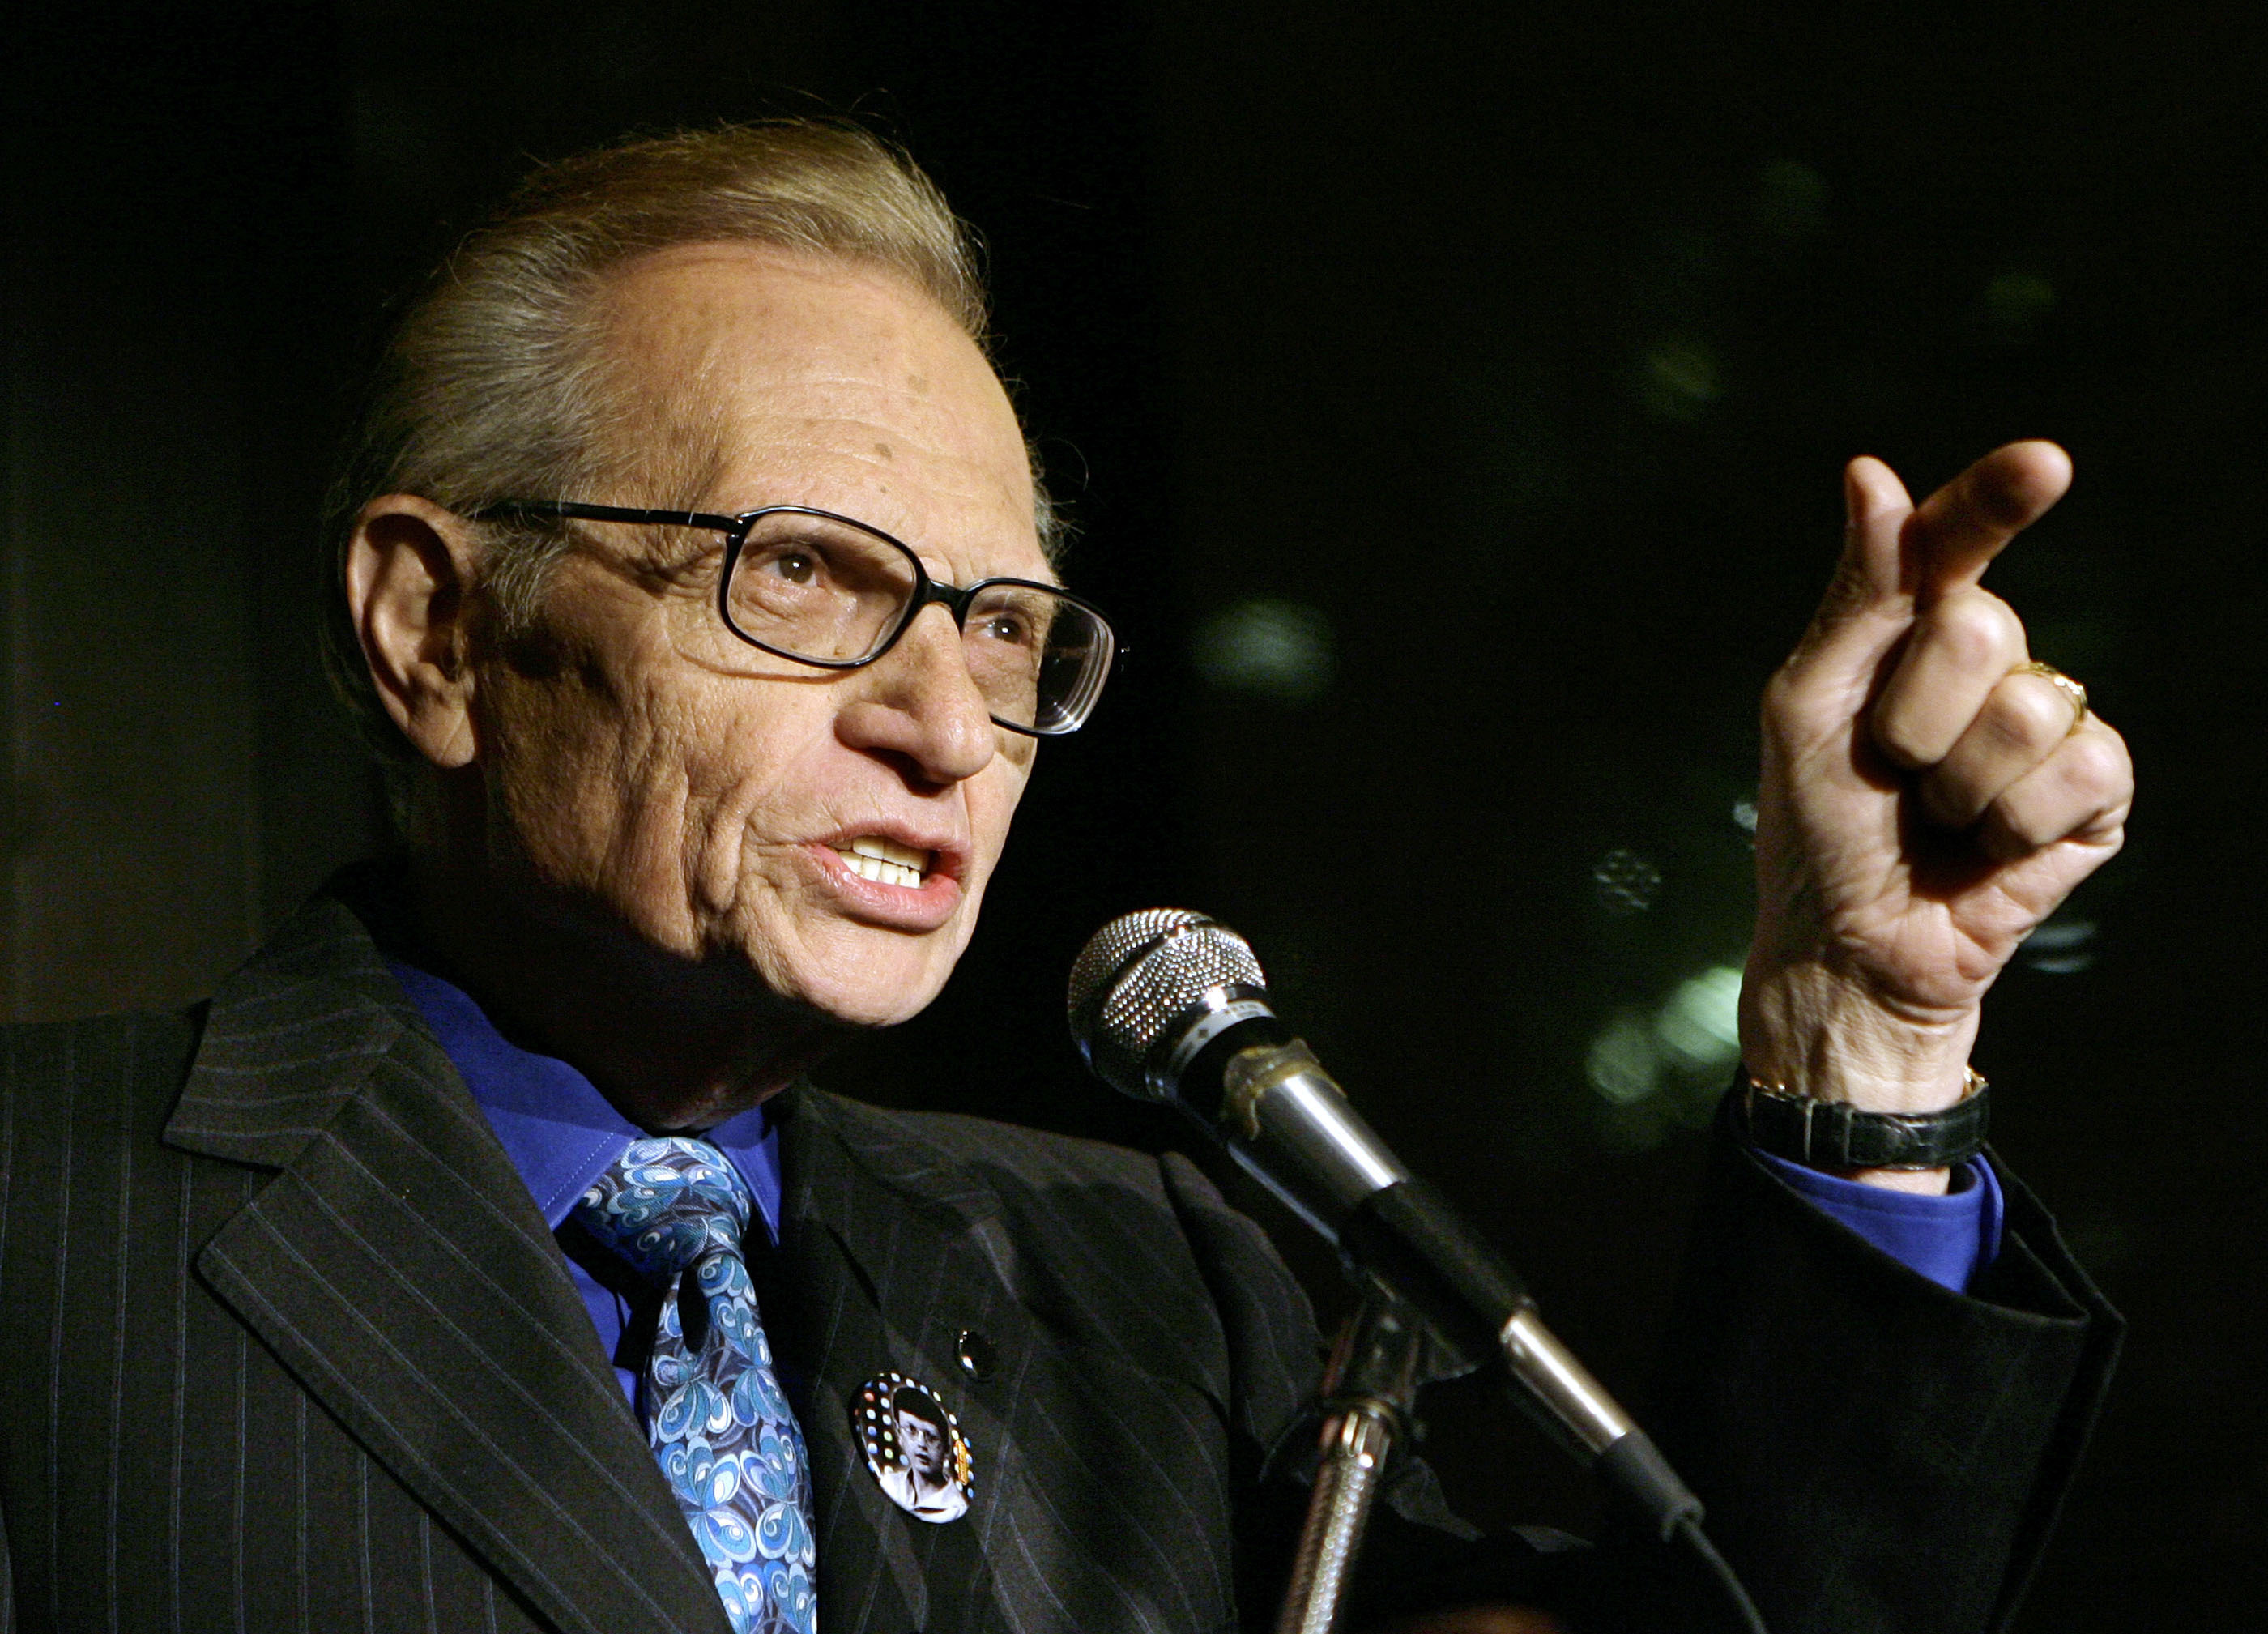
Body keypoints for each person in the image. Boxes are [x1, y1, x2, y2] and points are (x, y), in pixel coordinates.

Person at [0, 122, 2129, 1634]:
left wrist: (1868, 1031)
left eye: (1008, 628)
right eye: (809, 575)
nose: (946, 720)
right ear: (435, 631)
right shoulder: (47, 1231)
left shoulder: (1151, 1287)